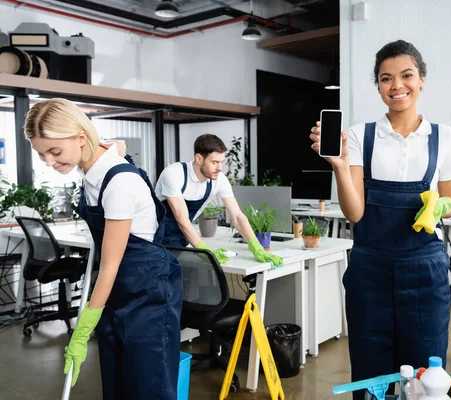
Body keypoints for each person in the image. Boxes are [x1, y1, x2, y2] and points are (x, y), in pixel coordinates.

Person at [309, 39, 451, 398]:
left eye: (406, 75)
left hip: (425, 269)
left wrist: (439, 206)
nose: (397, 86)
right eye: (385, 78)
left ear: (421, 79)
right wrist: (341, 168)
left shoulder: (445, 137)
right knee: (369, 361)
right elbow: (355, 212)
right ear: (377, 85)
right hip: (370, 270)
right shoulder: (361, 136)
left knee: (427, 367)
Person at [24, 98, 182, 399]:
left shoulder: (120, 183)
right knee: (117, 383)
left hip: (148, 290)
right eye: (41, 154)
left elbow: (109, 265)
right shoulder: (92, 165)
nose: (49, 162)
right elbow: (116, 146)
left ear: (81, 137)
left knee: (148, 386)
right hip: (118, 290)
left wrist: (83, 327)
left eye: (54, 151)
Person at [155, 134, 282, 267]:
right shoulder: (174, 174)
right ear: (199, 158)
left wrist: (257, 247)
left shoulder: (219, 179)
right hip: (154, 237)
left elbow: (237, 216)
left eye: (221, 162)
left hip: (179, 238)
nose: (220, 168)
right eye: (214, 162)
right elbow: (182, 219)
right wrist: (206, 251)